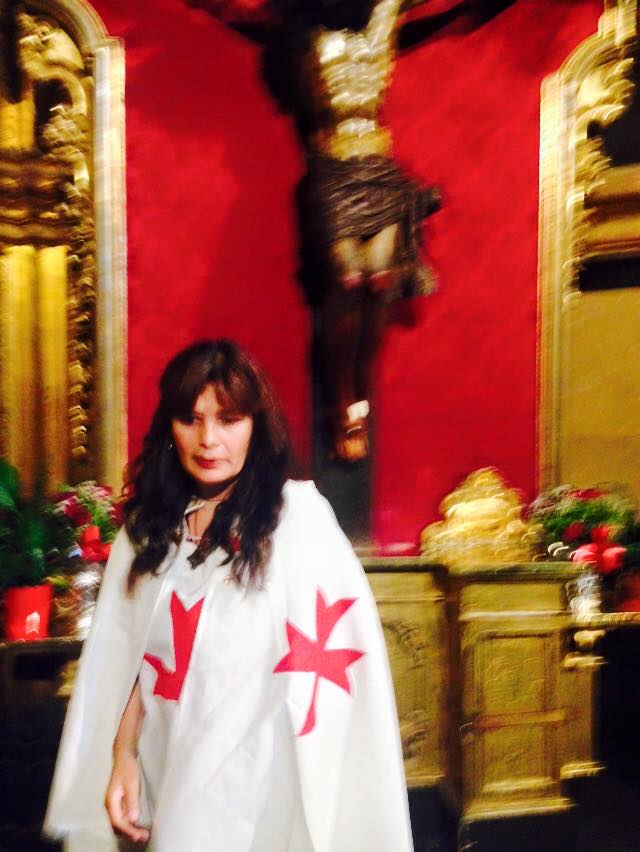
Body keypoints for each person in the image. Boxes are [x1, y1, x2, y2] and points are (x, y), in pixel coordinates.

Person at [44, 339, 413, 851]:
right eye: (191, 419)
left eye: (229, 419)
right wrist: (123, 753)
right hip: (168, 763)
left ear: (256, 425)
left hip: (261, 776)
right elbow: (127, 662)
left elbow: (337, 663)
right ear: (170, 427)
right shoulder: (147, 533)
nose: (208, 440)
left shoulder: (296, 520)